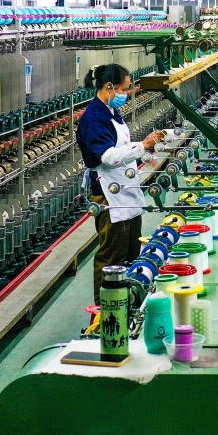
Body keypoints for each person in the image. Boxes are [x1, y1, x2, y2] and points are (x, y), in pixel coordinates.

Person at [76, 63, 166, 304]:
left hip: (125, 191)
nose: (126, 94)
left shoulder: (111, 112)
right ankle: (105, 310)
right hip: (109, 195)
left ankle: (128, 303)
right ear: (109, 87)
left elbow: (120, 148)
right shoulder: (94, 118)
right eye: (124, 89)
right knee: (111, 258)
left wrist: (143, 146)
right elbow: (108, 156)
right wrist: (142, 147)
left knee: (131, 253)